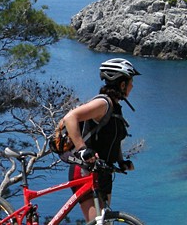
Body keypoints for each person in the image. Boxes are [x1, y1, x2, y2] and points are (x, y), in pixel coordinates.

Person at [59, 58, 140, 222]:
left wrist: (121, 161)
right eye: (130, 82)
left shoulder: (116, 107)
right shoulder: (103, 103)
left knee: (105, 221)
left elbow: (112, 139)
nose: (132, 86)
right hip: (84, 169)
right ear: (122, 84)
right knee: (97, 222)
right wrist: (82, 149)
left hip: (103, 171)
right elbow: (70, 117)